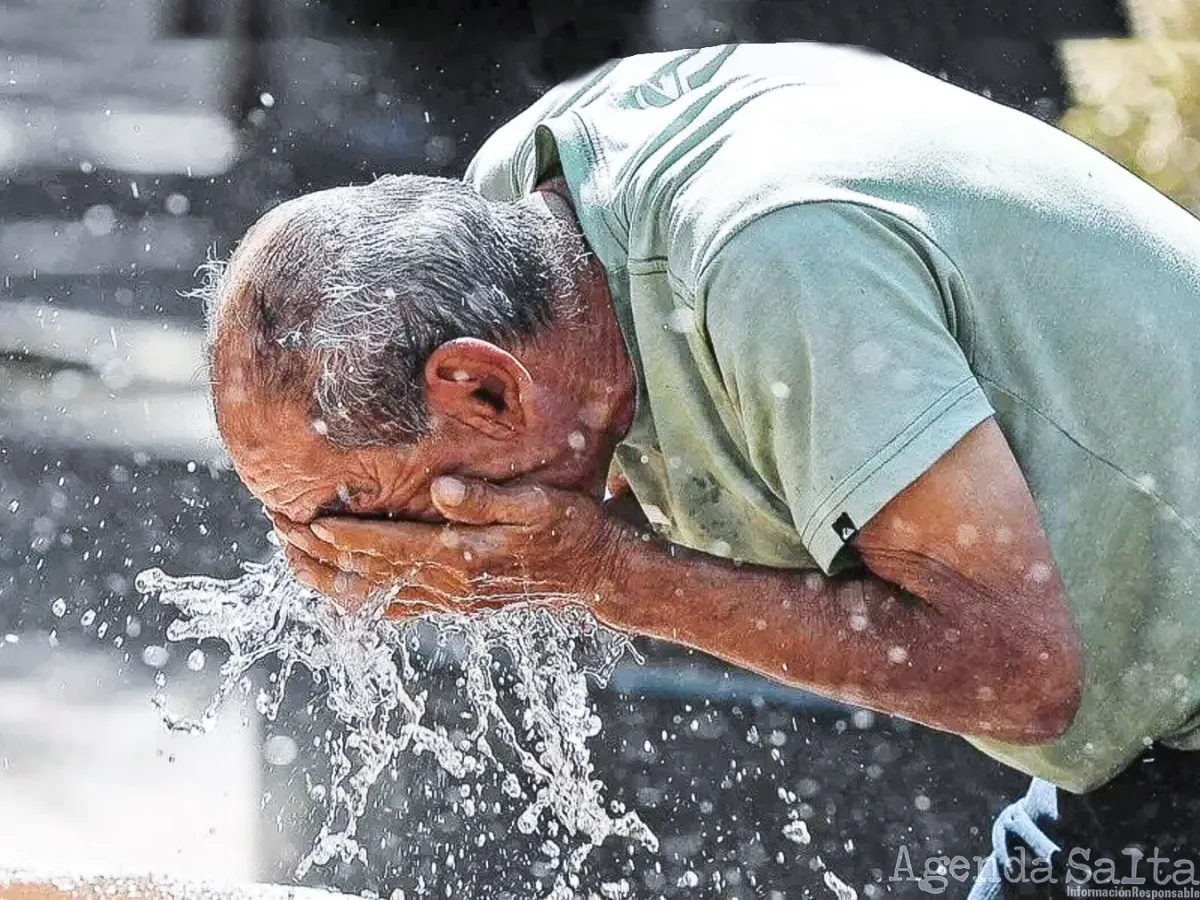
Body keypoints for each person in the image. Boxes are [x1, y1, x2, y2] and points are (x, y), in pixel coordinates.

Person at [205, 42, 1200, 895]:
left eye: (360, 509)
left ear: (485, 391)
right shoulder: (543, 220)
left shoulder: (773, 267)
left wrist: (605, 573)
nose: (359, 564)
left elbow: (1020, 678)